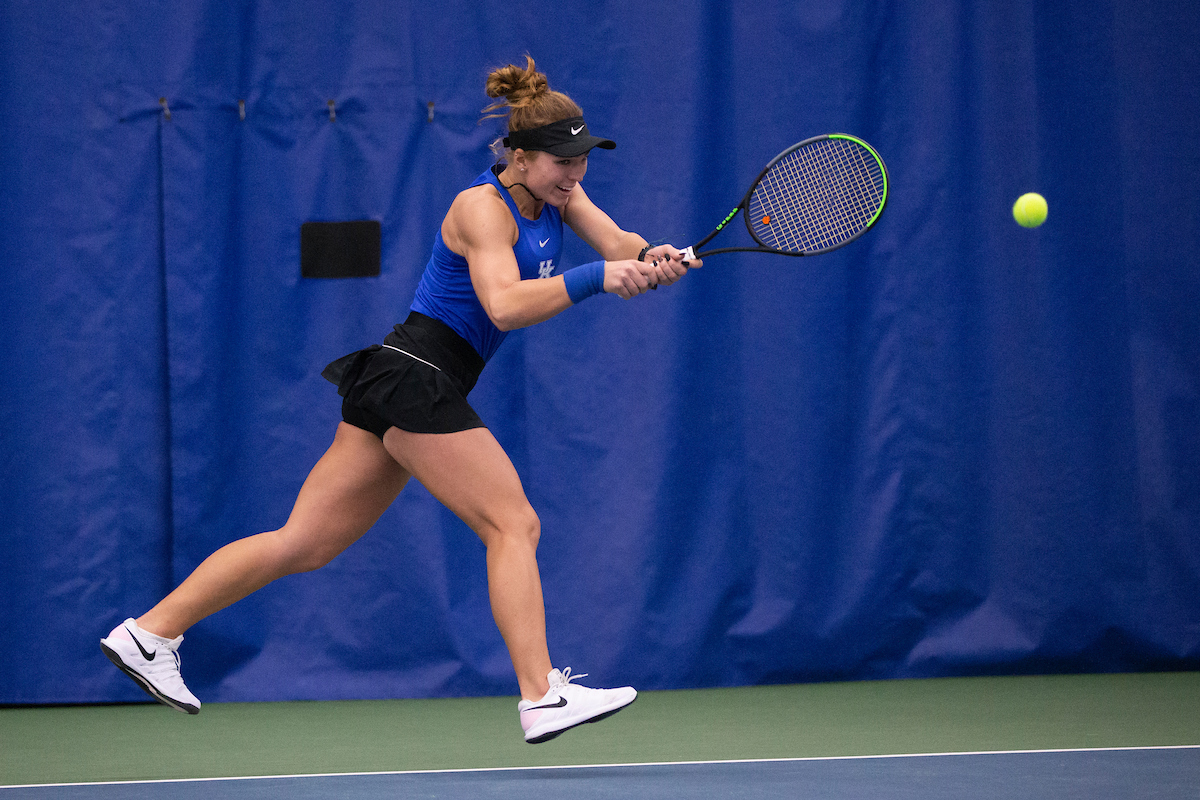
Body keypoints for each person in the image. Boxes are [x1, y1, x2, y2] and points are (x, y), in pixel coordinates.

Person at [100, 55, 698, 744]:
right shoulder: (481, 208)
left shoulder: (562, 195)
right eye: (563, 160)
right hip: (416, 375)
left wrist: (651, 257)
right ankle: (541, 696)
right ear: (520, 157)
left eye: (583, 158)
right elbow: (503, 305)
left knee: (305, 542)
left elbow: (619, 242)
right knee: (513, 524)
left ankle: (150, 633)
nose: (575, 171)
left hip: (405, 379)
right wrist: (599, 277)